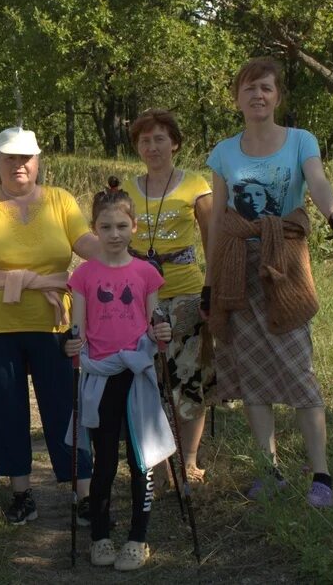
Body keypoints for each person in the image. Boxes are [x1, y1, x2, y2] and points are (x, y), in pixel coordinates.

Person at [205, 57, 333, 508]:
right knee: (251, 372)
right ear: (236, 98)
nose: (258, 96)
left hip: (284, 264)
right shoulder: (223, 152)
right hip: (236, 269)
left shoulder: (300, 141)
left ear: (277, 96)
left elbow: (319, 182)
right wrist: (210, 281)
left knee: (297, 368)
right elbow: (217, 219)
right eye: (249, 89)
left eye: (266, 88)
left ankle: (321, 474)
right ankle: (268, 471)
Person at [0, 126, 97, 526]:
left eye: (26, 157)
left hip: (54, 322)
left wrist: (118, 257)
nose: (18, 164)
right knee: (4, 408)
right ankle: (22, 493)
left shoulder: (61, 201)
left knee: (66, 406)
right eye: (10, 157)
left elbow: (86, 242)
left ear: (38, 161)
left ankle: (84, 494)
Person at [63, 182, 176, 571]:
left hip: (138, 372)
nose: (114, 235)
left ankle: (138, 538)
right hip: (100, 375)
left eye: (121, 227)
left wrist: (162, 332)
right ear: (95, 229)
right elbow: (76, 328)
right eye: (106, 227)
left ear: (134, 227)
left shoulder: (147, 273)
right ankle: (100, 536)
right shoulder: (83, 276)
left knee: (141, 459)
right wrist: (71, 345)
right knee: (105, 459)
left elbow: (155, 321)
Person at [119, 109, 215, 481]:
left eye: (160, 138)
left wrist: (212, 289)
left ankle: (189, 460)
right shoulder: (125, 190)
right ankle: (158, 466)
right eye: (144, 140)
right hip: (138, 300)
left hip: (187, 294)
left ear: (174, 143)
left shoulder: (195, 185)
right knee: (149, 381)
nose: (152, 146)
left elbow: (211, 239)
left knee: (189, 378)